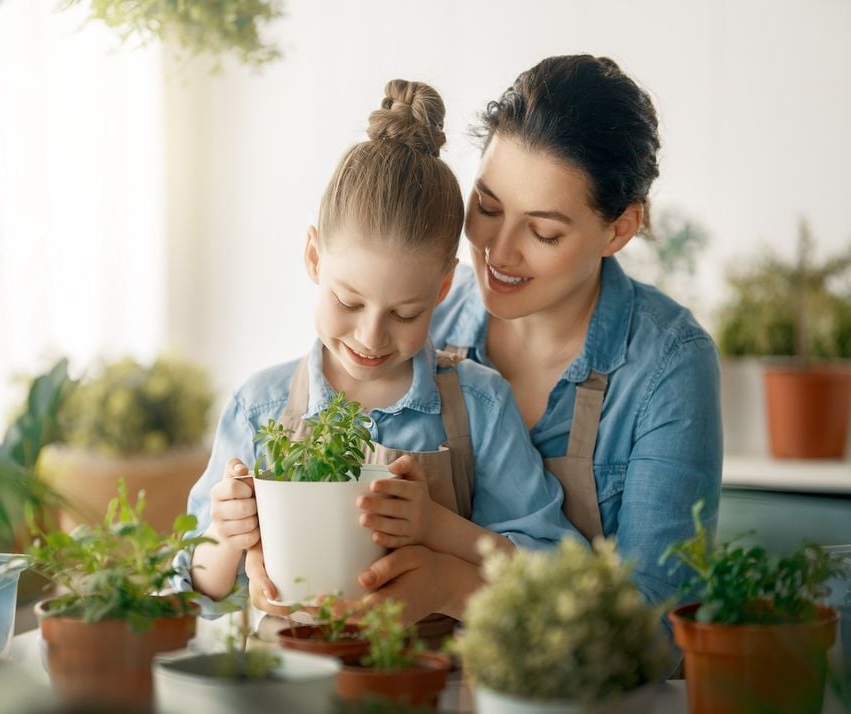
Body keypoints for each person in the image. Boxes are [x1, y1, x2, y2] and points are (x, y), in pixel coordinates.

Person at [174, 79, 581, 627]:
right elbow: (195, 587)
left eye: (405, 314)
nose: (370, 337)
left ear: (442, 290)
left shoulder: (478, 405)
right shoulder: (259, 407)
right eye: (348, 301)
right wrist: (226, 537)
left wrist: (437, 527)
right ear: (315, 258)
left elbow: (552, 569)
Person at [349, 55, 723, 632]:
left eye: (544, 232)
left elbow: (661, 625)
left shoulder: (669, 364)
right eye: (488, 208)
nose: (499, 251)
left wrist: (456, 587)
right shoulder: (418, 324)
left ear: (619, 229)